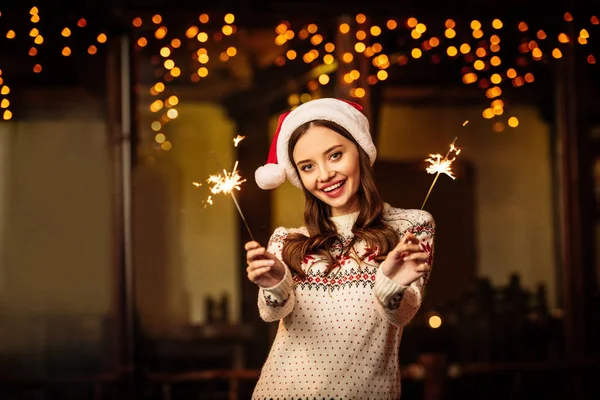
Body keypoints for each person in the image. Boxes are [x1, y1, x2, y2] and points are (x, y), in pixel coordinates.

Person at [246, 98, 435, 399]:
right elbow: (270, 313)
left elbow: (402, 315)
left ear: (359, 151)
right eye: (308, 166)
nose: (324, 175)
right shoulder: (286, 241)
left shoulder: (410, 226)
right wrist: (276, 286)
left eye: (335, 155)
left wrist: (390, 285)